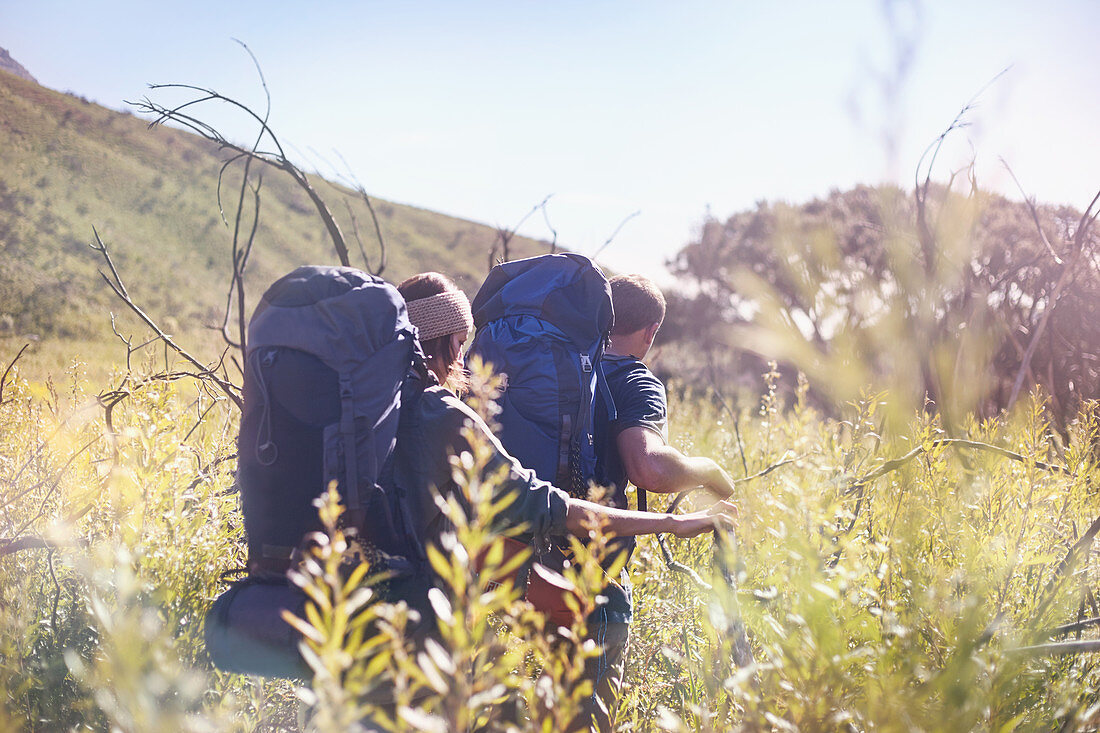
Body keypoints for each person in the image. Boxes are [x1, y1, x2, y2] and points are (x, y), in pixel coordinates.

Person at [584, 273, 738, 731]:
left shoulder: (568, 367)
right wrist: (708, 469)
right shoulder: (635, 380)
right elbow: (648, 468)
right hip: (594, 569)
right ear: (651, 332)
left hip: (517, 557)